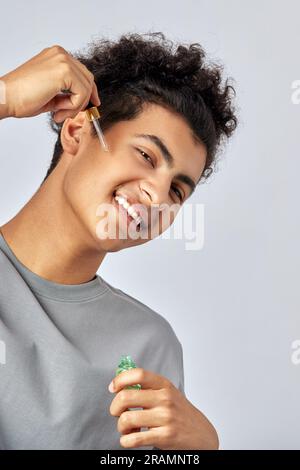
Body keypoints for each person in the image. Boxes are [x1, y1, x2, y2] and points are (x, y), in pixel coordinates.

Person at [0, 32, 237, 450]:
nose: (157, 196)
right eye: (146, 156)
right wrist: (4, 95)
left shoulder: (148, 344)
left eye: (177, 191)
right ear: (76, 131)